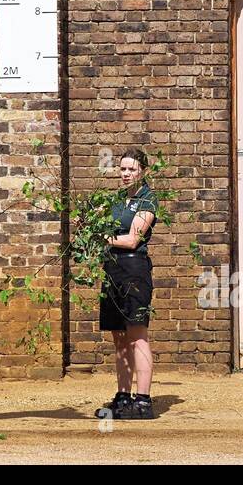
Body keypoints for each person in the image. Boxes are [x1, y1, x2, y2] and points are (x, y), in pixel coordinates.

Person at [94, 147, 159, 421]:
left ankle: (143, 402)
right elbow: (93, 221)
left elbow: (132, 240)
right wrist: (85, 222)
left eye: (131, 169)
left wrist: (100, 239)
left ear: (142, 171)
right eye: (122, 169)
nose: (126, 174)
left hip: (134, 268)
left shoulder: (148, 200)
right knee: (118, 337)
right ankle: (122, 397)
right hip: (113, 269)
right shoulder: (116, 200)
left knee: (136, 335)